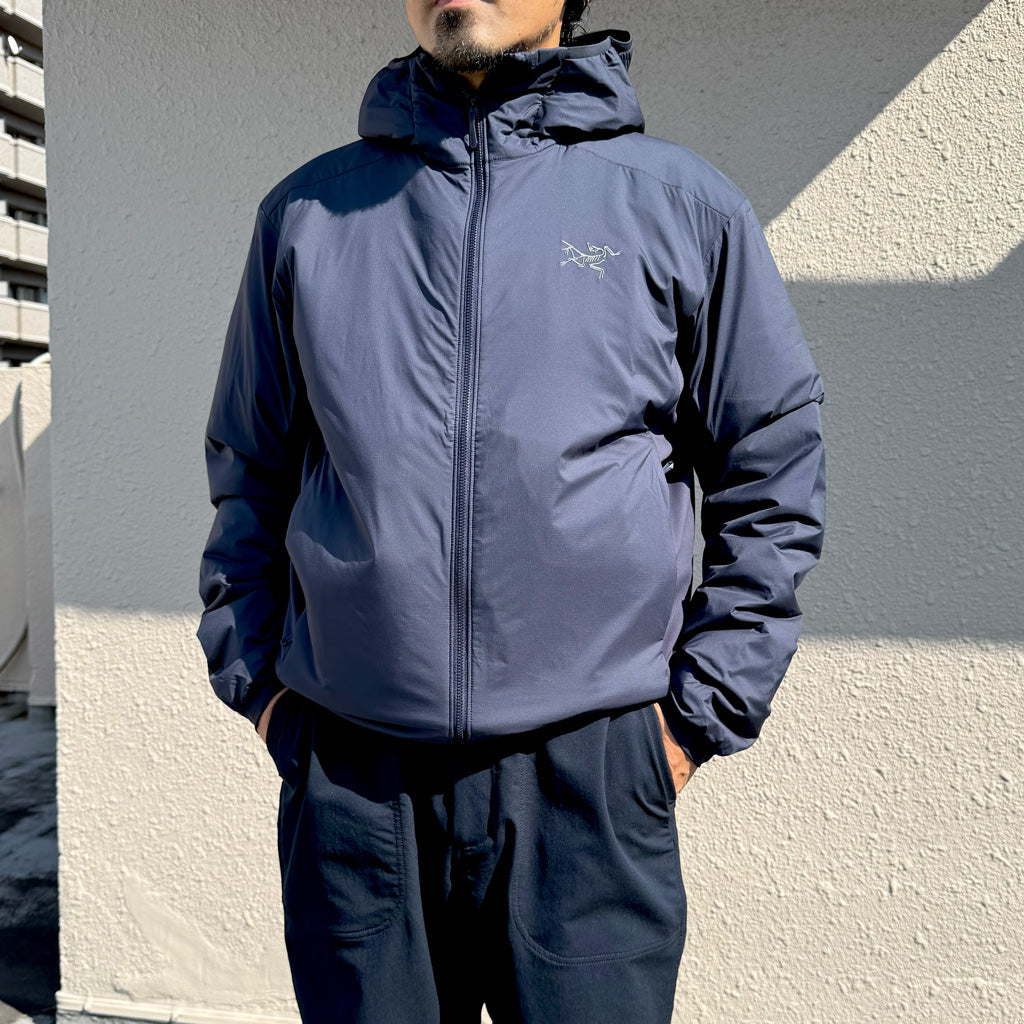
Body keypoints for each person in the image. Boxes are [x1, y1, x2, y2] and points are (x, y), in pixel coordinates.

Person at [196, 1, 826, 1021]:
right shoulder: (308, 215)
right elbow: (249, 465)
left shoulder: (679, 207)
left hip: (591, 781)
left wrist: (691, 721)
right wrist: (265, 690)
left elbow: (773, 472)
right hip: (355, 781)